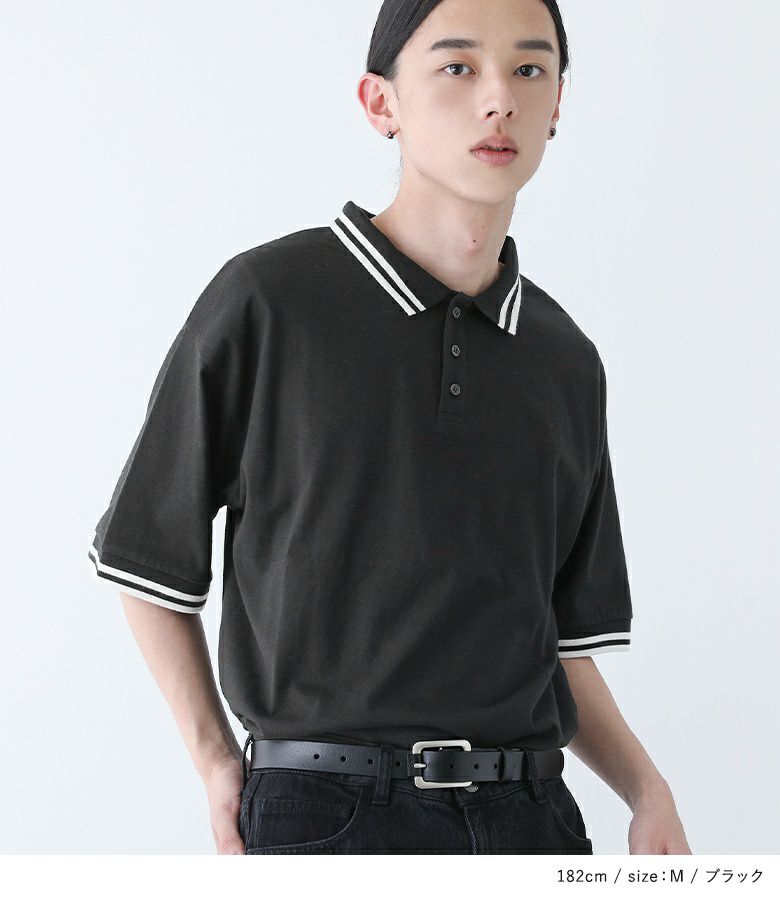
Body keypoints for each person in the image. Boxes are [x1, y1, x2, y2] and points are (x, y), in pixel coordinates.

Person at [87, 0, 691, 854]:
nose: (499, 98)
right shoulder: (269, 302)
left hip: (530, 818)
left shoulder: (564, 358)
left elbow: (552, 639)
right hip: (324, 817)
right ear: (381, 102)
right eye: (457, 67)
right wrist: (218, 762)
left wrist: (645, 789)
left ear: (558, 104)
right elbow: (147, 562)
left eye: (529, 69)